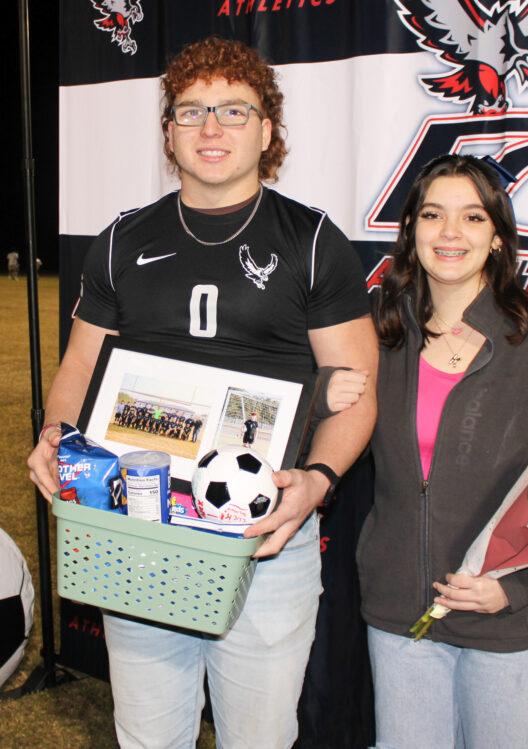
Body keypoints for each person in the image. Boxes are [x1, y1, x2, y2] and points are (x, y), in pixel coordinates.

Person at [27, 36, 377, 749]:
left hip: (261, 533)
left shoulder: (312, 242)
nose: (211, 128)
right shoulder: (122, 239)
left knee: (260, 737)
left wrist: (316, 481)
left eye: (233, 111)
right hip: (141, 527)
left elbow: (359, 392)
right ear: (168, 132)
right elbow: (77, 369)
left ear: (268, 130)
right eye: (191, 111)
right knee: (150, 737)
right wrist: (54, 437)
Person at [355, 154, 528, 748]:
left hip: (513, 625)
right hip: (402, 623)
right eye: (432, 214)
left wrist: (515, 588)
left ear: (497, 238)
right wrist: (327, 394)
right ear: (411, 230)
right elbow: (318, 433)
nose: (450, 233)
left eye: (471, 217)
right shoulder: (379, 334)